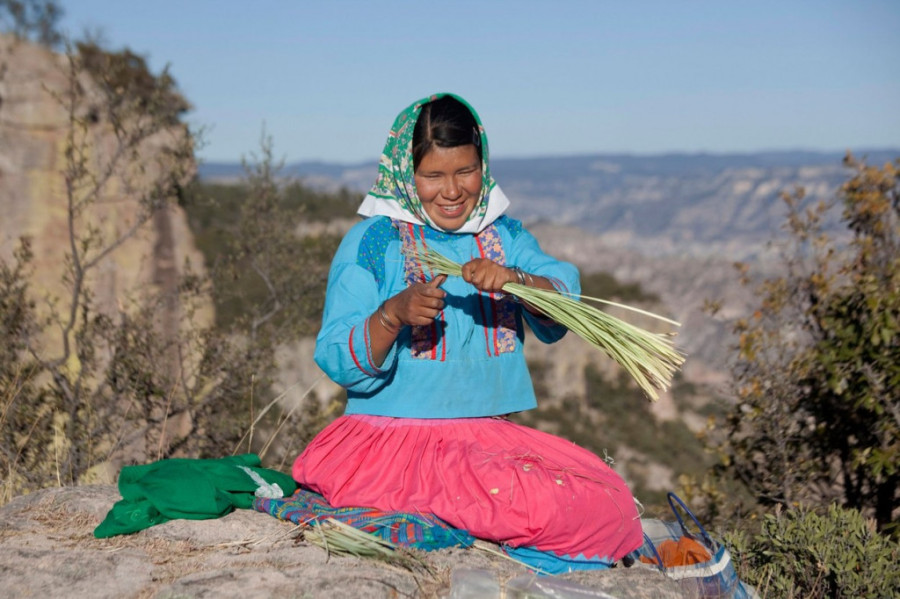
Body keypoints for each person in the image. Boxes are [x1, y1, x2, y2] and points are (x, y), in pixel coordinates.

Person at [293, 93, 642, 572]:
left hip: (487, 445)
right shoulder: (374, 242)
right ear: (405, 174)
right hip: (393, 447)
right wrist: (393, 314)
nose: (453, 190)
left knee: (612, 502)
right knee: (541, 509)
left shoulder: (505, 237)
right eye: (432, 175)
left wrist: (517, 280)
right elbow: (336, 354)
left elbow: (564, 294)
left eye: (466, 171)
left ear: (484, 166)